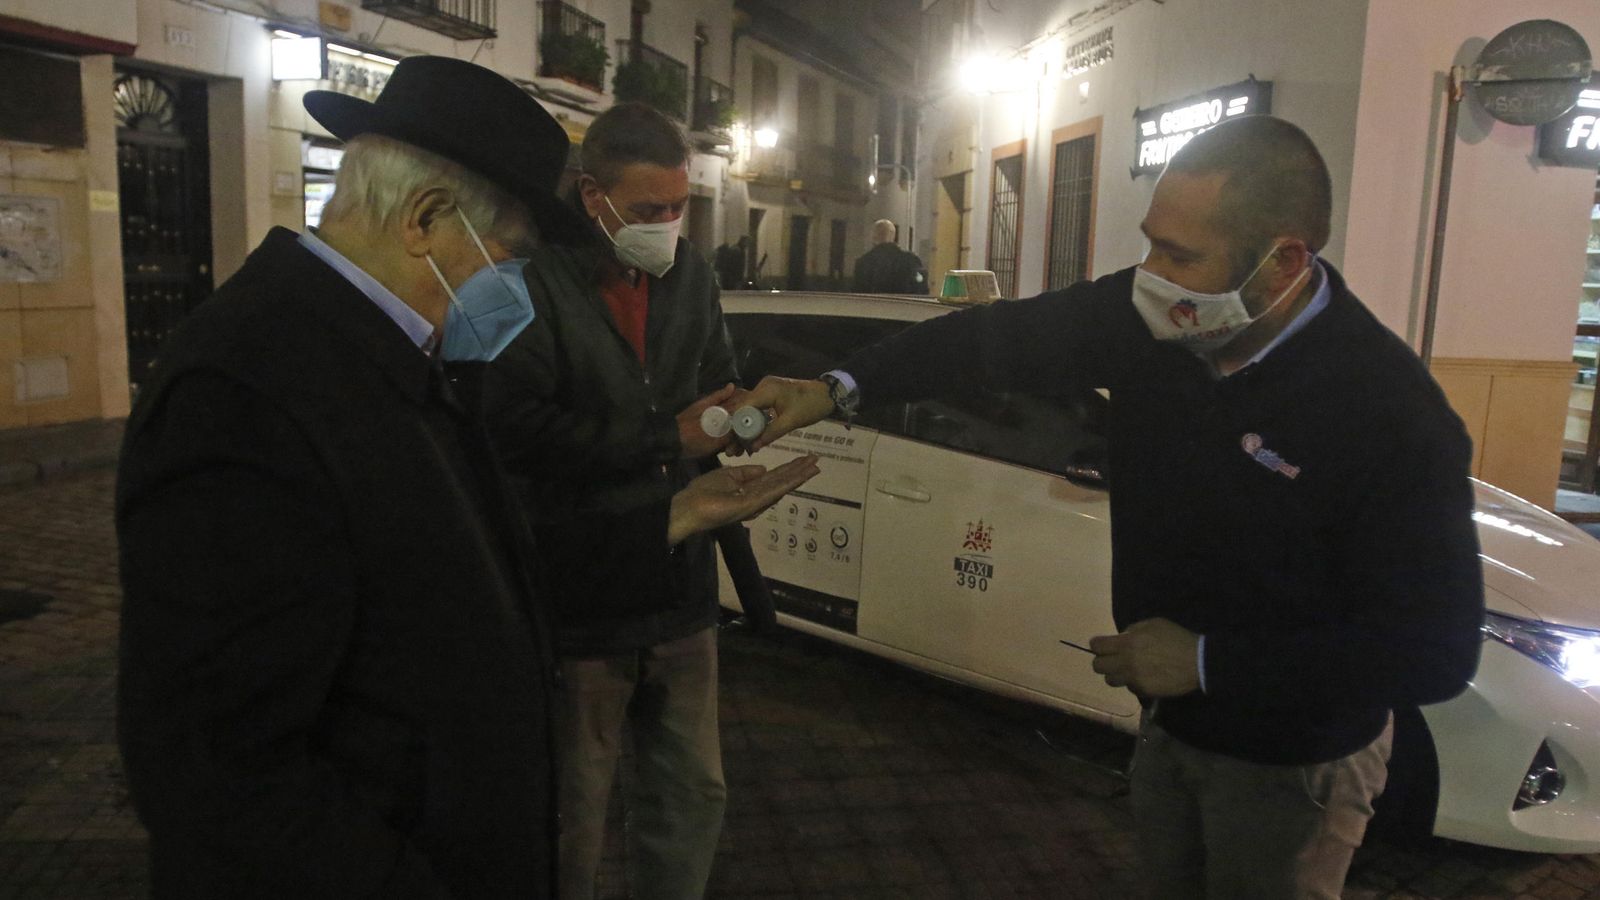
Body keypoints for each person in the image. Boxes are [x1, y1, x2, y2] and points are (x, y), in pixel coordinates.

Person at [115, 58, 816, 900]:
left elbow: (469, 564)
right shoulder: (245, 388)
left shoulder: (398, 356)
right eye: (513, 254)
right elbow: (220, 775)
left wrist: (668, 519)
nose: (518, 284)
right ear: (426, 219)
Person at [741, 116, 1484, 898]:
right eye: (1151, 243)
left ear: (1285, 261)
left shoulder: (1388, 411)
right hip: (1168, 730)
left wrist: (1206, 663)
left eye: (1181, 256)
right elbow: (994, 340)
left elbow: (1431, 650)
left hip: (1293, 769)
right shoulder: (1153, 322)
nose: (1151, 276)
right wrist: (834, 390)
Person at [481, 102, 746, 900]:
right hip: (580, 599)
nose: (668, 225)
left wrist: (742, 420)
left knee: (693, 798)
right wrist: (669, 438)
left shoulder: (691, 273)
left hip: (679, 592)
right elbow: (511, 426)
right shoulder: (519, 277)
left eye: (680, 207)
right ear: (590, 194)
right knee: (573, 817)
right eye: (647, 211)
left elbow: (715, 381)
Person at [850, 218, 927, 294]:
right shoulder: (911, 260)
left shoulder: (863, 263)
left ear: (874, 237)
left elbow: (858, 294)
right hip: (903, 305)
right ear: (893, 236)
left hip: (873, 306)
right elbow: (921, 289)